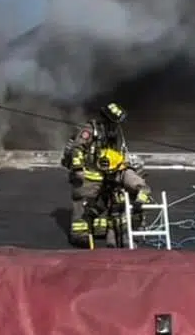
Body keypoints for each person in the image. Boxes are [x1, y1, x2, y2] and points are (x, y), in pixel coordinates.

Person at [62, 103, 151, 246]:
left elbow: (116, 153)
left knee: (101, 204)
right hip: (87, 175)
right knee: (83, 204)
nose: (117, 126)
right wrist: (78, 169)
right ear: (107, 119)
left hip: (103, 175)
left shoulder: (112, 134)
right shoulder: (90, 130)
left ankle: (99, 231)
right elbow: (77, 148)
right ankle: (80, 235)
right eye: (114, 123)